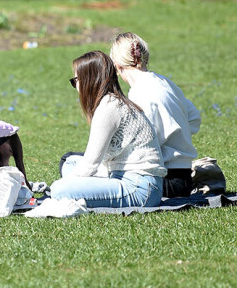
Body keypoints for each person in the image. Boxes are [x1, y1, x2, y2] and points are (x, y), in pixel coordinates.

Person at [50, 51, 166, 208]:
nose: (76, 86)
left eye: (76, 80)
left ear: (89, 80)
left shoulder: (109, 107)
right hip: (129, 178)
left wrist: (66, 185)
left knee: (58, 190)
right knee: (70, 163)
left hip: (140, 188)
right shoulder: (113, 102)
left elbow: (91, 164)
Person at [110, 32, 201, 198]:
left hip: (163, 180)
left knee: (70, 162)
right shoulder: (164, 82)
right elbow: (194, 119)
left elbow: (145, 144)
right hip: (184, 175)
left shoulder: (140, 94)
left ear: (117, 65)